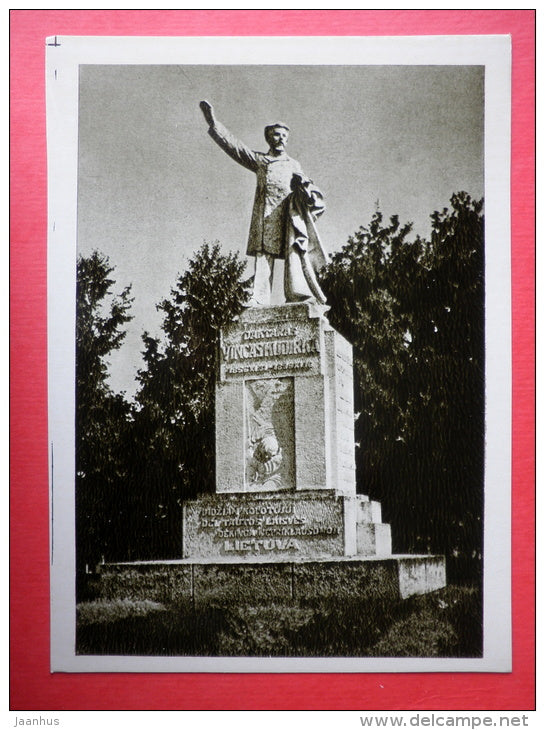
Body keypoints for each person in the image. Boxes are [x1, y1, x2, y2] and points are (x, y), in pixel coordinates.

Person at [200, 100, 328, 306]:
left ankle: (297, 294)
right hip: (266, 215)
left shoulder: (293, 164)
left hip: (288, 216)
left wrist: (307, 193)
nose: (281, 139)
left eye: (284, 136)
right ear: (268, 137)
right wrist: (215, 124)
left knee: (293, 255)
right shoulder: (260, 161)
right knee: (263, 255)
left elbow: (308, 189)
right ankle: (259, 298)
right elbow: (236, 149)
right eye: (277, 135)